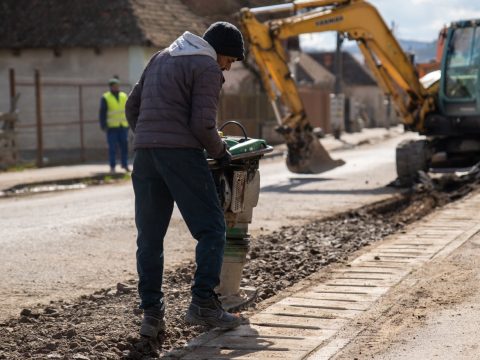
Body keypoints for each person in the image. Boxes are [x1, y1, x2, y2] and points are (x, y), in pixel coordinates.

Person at [125, 22, 245, 338]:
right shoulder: (205, 65)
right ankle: (203, 303)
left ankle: (151, 315)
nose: (227, 67)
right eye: (229, 60)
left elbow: (131, 106)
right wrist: (221, 153)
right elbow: (203, 125)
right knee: (212, 229)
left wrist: (150, 136)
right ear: (218, 50)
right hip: (181, 154)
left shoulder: (161, 57)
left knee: (149, 238)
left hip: (146, 155)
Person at [99, 77, 130, 173]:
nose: (116, 87)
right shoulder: (106, 97)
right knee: (112, 148)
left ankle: (125, 165)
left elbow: (129, 109)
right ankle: (112, 167)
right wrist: (103, 125)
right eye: (114, 86)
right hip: (112, 127)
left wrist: (129, 123)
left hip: (123, 126)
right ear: (111, 87)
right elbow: (102, 112)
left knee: (124, 146)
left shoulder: (124, 96)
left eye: (117, 86)